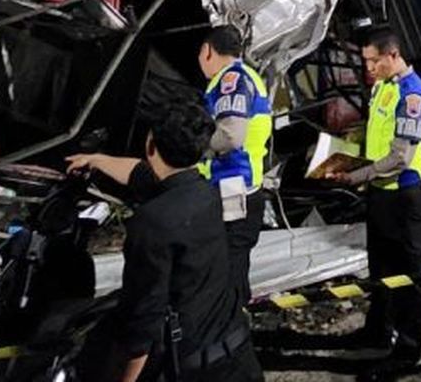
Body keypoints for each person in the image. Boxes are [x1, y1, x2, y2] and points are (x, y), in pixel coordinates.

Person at [67, 102, 263, 382]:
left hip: (196, 371)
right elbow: (139, 174)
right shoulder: (205, 193)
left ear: (150, 145)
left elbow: (145, 318)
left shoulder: (152, 223)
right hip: (239, 357)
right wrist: (96, 160)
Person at [329, 27, 421, 380]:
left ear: (393, 55)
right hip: (380, 193)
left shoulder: (413, 95)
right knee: (382, 268)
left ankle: (406, 351)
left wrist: (359, 176)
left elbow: (401, 156)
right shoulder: (383, 88)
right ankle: (377, 330)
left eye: (374, 60)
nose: (369, 67)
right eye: (366, 61)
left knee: (409, 276)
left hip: (404, 195)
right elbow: (376, 136)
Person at [195, 25, 272, 305]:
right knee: (230, 267)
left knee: (227, 271)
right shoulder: (247, 76)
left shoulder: (232, 80)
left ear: (207, 51)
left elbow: (230, 136)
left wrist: (191, 149)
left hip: (232, 188)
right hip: (240, 187)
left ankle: (230, 335)